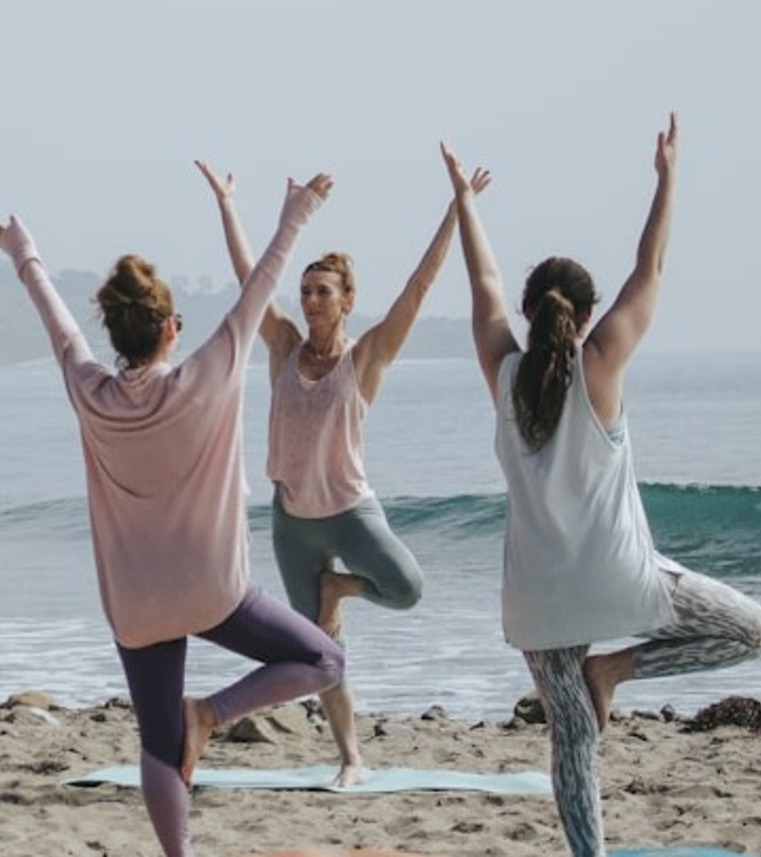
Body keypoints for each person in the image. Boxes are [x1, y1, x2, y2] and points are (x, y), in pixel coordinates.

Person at [0, 171, 345, 857]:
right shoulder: (207, 374)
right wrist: (296, 215)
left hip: (136, 604)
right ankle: (210, 713)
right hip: (213, 589)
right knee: (325, 659)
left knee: (157, 743)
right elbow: (260, 288)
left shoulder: (90, 390)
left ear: (117, 333)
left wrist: (22, 253)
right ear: (172, 328)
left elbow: (58, 324)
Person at [444, 115, 761, 857]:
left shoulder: (503, 374)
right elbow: (650, 267)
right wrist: (667, 179)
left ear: (528, 316)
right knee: (753, 631)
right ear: (588, 316)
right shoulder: (602, 366)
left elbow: (482, 284)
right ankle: (617, 667)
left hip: (536, 601)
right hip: (620, 580)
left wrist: (465, 202)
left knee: (572, 741)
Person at [195, 160, 490, 787]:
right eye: (305, 291)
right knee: (322, 655)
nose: (309, 300)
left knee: (406, 588)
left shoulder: (367, 358)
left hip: (351, 513)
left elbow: (418, 287)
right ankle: (351, 758)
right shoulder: (281, 345)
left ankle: (341, 588)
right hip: (293, 522)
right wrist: (226, 203)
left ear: (347, 300)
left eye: (323, 291)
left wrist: (455, 209)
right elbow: (252, 278)